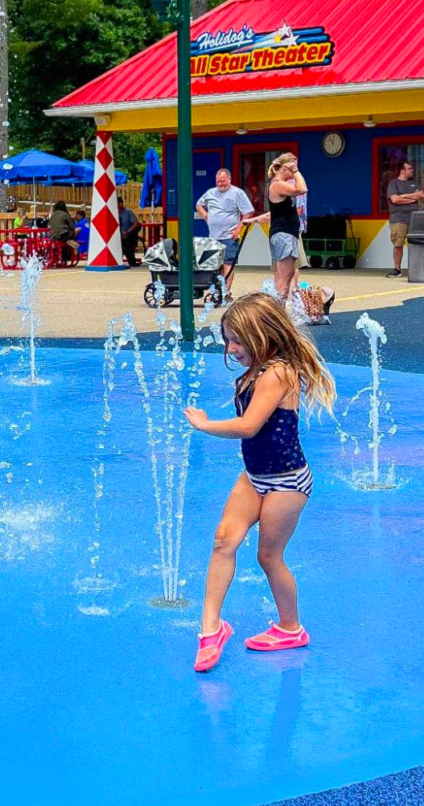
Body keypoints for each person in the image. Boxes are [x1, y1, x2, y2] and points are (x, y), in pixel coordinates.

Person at [183, 292, 336, 673]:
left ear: (262, 336)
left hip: (287, 482)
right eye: (227, 340)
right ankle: (210, 630)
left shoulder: (279, 372)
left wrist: (205, 425)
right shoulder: (254, 371)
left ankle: (291, 628)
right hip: (255, 477)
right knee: (223, 540)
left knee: (268, 556)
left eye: (238, 340)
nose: (231, 348)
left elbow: (249, 426)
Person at [196, 169, 257, 296]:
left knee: (227, 264)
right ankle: (216, 290)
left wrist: (239, 228)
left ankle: (225, 292)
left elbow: (248, 212)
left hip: (229, 236)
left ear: (229, 179)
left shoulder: (237, 193)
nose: (220, 184)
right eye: (218, 182)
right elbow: (198, 204)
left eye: (223, 181)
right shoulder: (210, 193)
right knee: (213, 265)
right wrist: (205, 215)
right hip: (213, 236)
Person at [266, 153, 306, 301]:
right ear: (285, 168)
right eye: (292, 168)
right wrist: (295, 172)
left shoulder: (283, 185)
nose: (295, 171)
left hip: (289, 233)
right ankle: (276, 316)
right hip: (283, 234)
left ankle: (281, 313)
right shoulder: (277, 184)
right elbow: (302, 189)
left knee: (289, 277)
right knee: (282, 280)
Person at [385, 160, 424, 278]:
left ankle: (419, 269)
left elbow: (421, 195)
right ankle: (397, 269)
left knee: (419, 243)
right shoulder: (393, 183)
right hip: (398, 218)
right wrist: (412, 198)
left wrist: (402, 196)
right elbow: (395, 200)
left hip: (415, 218)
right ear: (403, 170)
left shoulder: (415, 184)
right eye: (410, 168)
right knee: (398, 244)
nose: (412, 170)